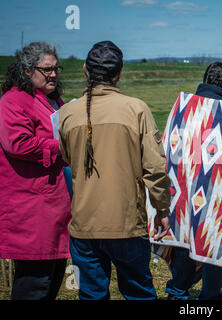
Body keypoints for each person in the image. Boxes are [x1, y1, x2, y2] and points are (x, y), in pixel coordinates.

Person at [58, 41, 171, 300]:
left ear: (85, 70)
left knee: (91, 294)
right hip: (126, 223)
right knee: (138, 293)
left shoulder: (67, 112)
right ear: (119, 74)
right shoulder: (136, 109)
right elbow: (154, 169)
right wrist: (162, 209)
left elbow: (67, 159)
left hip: (83, 225)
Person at [0, 42, 71, 300]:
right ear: (28, 70)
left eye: (56, 68)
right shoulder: (14, 100)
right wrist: (63, 146)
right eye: (47, 69)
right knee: (34, 282)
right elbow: (18, 143)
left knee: (51, 277)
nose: (54, 74)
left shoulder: (51, 100)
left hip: (51, 203)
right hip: (29, 206)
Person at [165, 62, 222, 300]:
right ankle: (209, 296)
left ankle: (177, 290)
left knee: (185, 239)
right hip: (218, 192)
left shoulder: (183, 108)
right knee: (214, 243)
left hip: (185, 190)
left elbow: (169, 148)